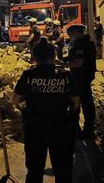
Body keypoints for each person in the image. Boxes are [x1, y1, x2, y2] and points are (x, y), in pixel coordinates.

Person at [10, 37, 79, 183]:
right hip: (61, 127)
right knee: (63, 171)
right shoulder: (65, 75)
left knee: (34, 171)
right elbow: (76, 102)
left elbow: (15, 100)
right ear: (53, 56)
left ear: (34, 57)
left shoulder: (28, 75)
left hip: (35, 128)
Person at [61, 25, 97, 139]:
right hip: (85, 77)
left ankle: (78, 129)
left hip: (80, 77)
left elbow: (78, 63)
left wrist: (62, 65)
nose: (71, 37)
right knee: (87, 103)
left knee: (76, 103)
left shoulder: (81, 44)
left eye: (71, 35)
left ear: (76, 33)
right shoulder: (87, 42)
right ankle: (88, 129)